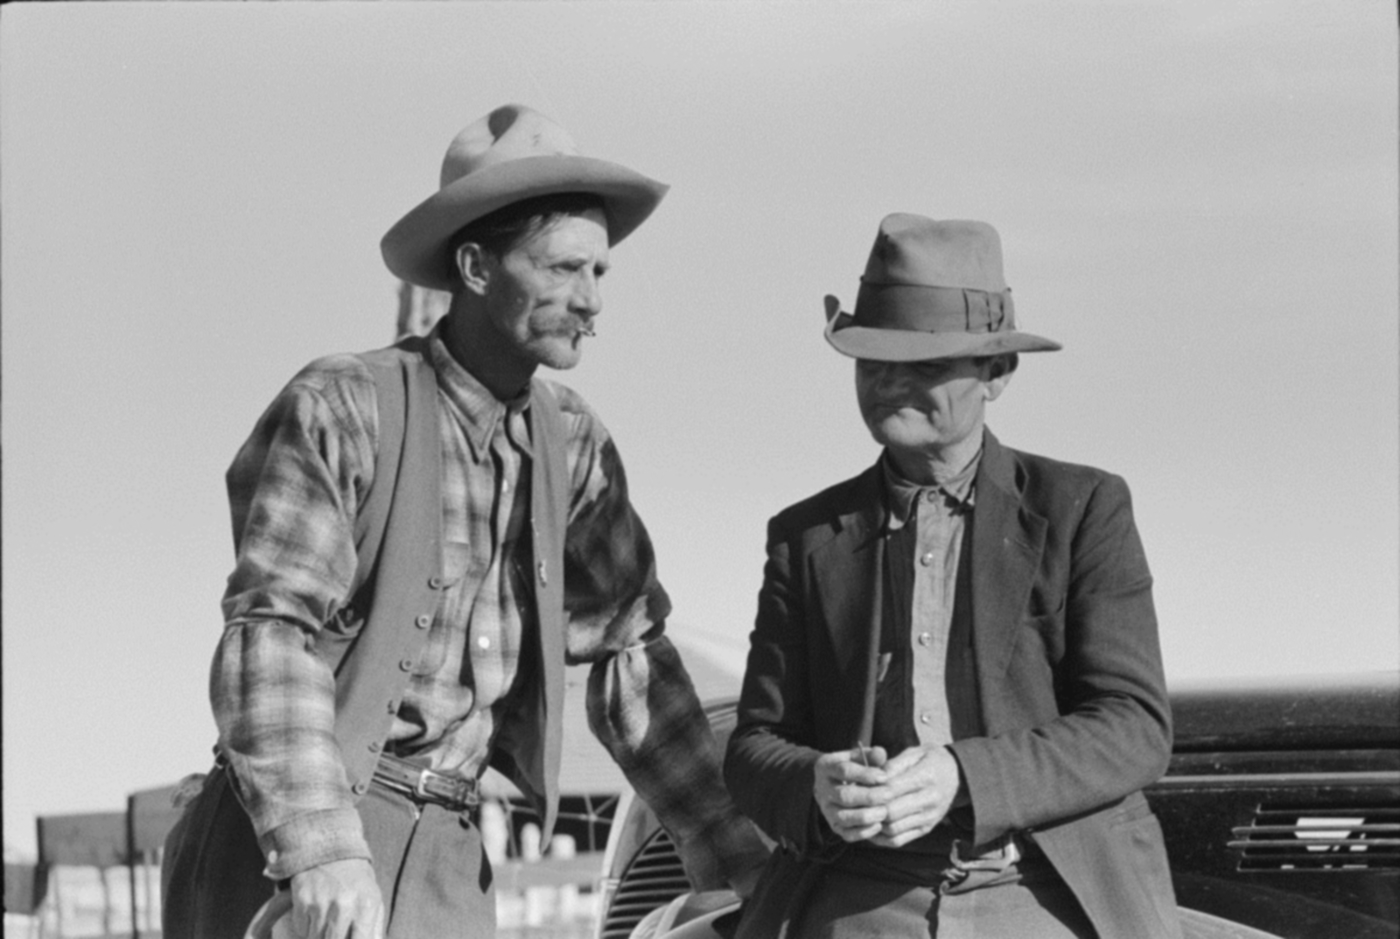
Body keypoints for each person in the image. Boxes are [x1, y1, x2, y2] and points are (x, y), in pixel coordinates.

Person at [163, 103, 766, 939]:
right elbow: (269, 638)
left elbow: (632, 664)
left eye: (600, 273)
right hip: (291, 839)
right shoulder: (344, 404)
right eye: (563, 269)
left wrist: (741, 859)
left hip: (449, 849)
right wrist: (321, 852)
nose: (592, 301)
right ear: (478, 267)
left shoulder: (576, 444)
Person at [724, 214, 1181, 938]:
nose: (890, 382)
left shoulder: (1084, 508)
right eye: (872, 360)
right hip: (856, 897)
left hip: (1045, 891)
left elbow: (1134, 727)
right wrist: (813, 785)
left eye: (926, 364)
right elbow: (755, 748)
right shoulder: (805, 537)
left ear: (998, 373)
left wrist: (961, 776)